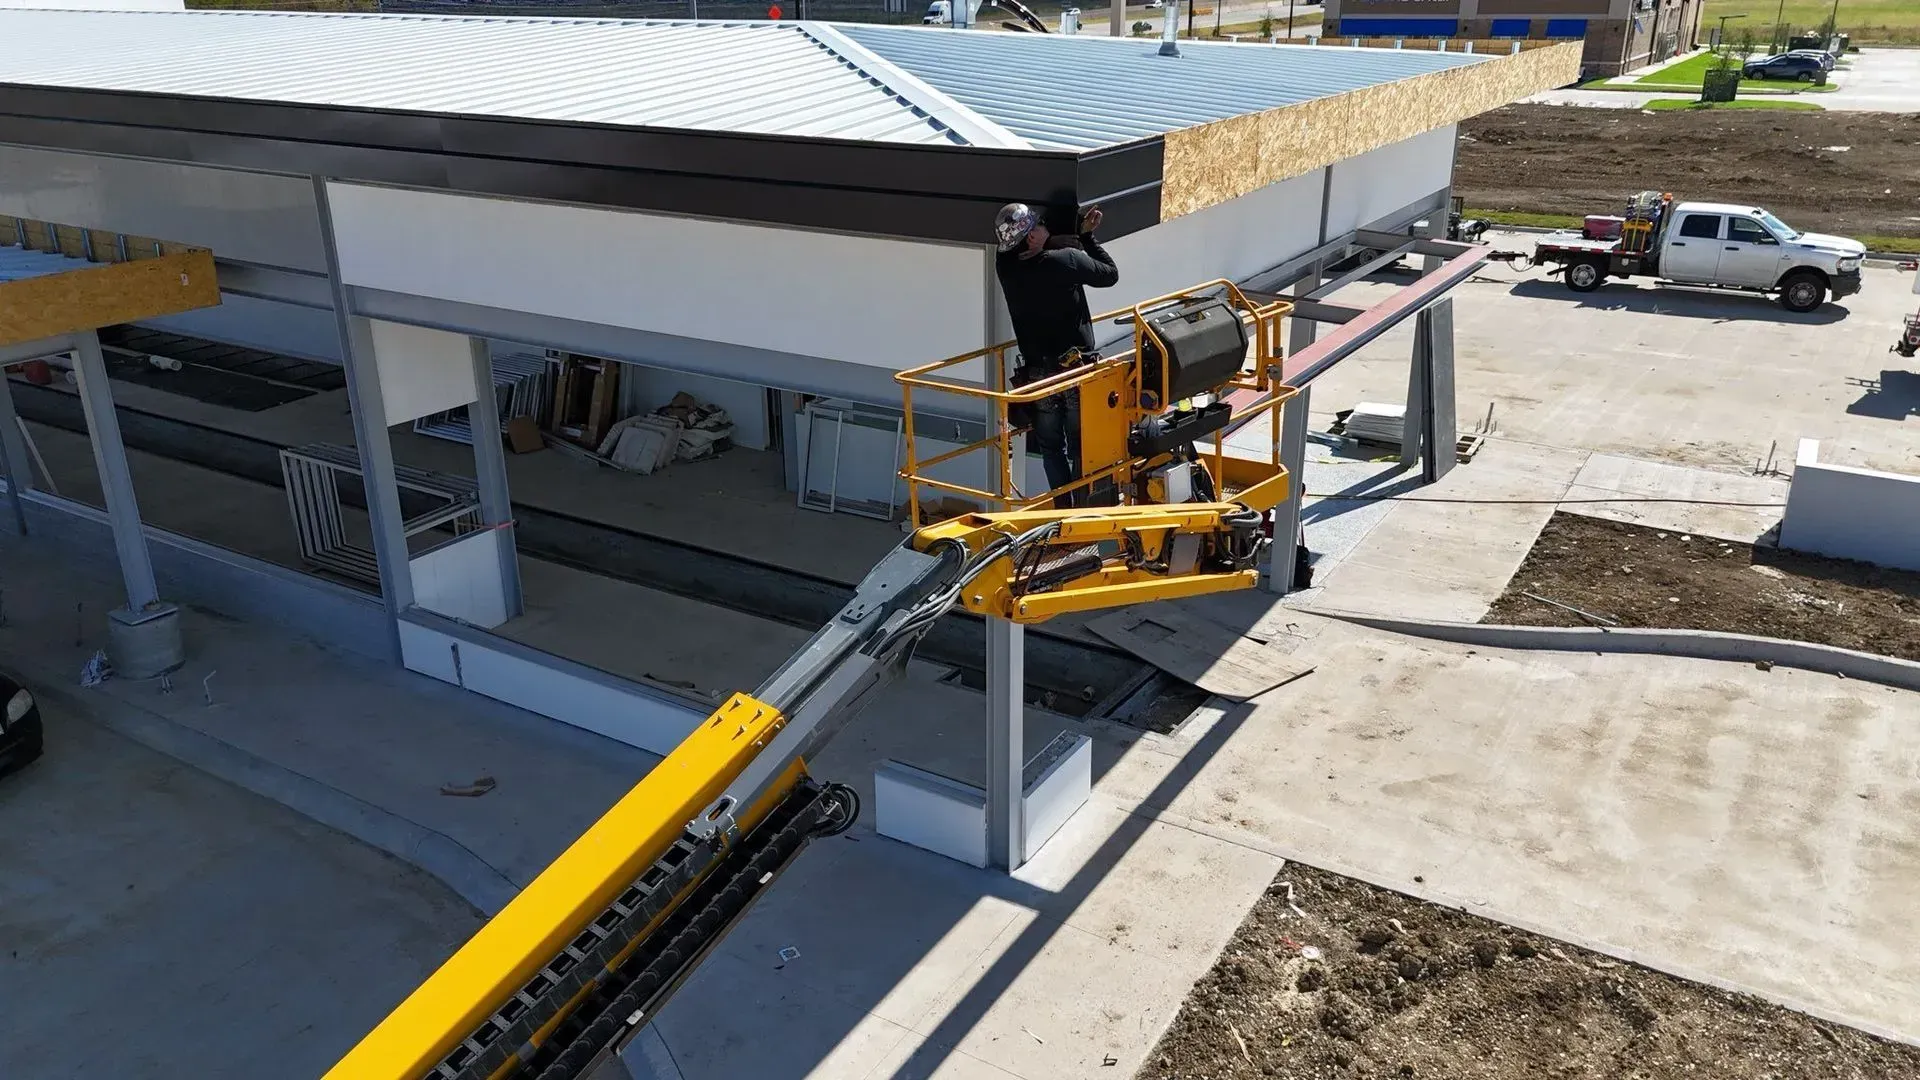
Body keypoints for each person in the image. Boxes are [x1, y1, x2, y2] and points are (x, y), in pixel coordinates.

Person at [993, 202, 1119, 506]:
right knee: (1079, 445)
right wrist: (1086, 238)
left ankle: (1064, 510)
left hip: (1038, 375)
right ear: (1031, 236)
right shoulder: (1066, 261)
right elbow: (1110, 274)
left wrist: (1041, 240)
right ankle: (1082, 511)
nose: (1042, 227)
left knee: (1051, 447)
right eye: (1037, 226)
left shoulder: (1006, 268)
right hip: (1074, 371)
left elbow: (1009, 250)